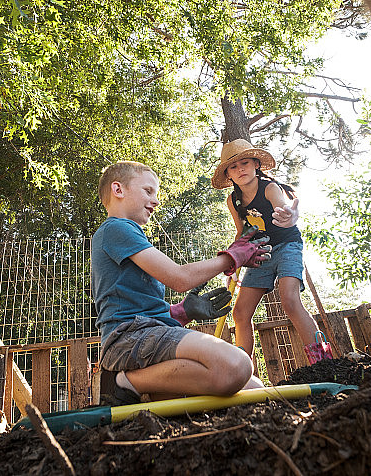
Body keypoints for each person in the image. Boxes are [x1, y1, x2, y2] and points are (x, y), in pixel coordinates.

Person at [92, 161, 271, 406]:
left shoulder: (126, 233)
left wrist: (180, 312)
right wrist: (232, 257)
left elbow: (136, 303)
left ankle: (144, 382)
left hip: (148, 335)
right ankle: (125, 382)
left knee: (253, 388)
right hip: (128, 339)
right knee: (237, 366)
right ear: (118, 190)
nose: (155, 201)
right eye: (148, 191)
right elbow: (180, 278)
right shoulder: (116, 228)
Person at [211, 139, 333, 365]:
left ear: (256, 164)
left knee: (289, 299)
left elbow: (287, 211)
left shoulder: (269, 188)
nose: (240, 170)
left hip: (287, 246)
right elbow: (241, 233)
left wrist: (290, 218)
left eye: (245, 163)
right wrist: (235, 260)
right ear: (228, 175)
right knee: (240, 313)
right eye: (234, 167)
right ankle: (242, 371)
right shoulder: (233, 200)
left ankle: (324, 363)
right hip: (260, 254)